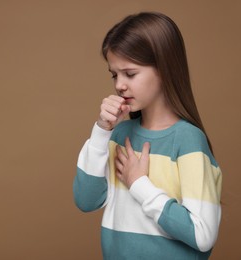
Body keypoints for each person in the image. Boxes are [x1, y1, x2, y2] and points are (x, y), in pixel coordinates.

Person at [73, 12, 222, 259]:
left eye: (130, 74)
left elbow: (202, 235)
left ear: (165, 69)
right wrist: (101, 131)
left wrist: (139, 184)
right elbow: (86, 201)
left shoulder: (187, 141)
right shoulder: (119, 134)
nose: (119, 84)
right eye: (114, 74)